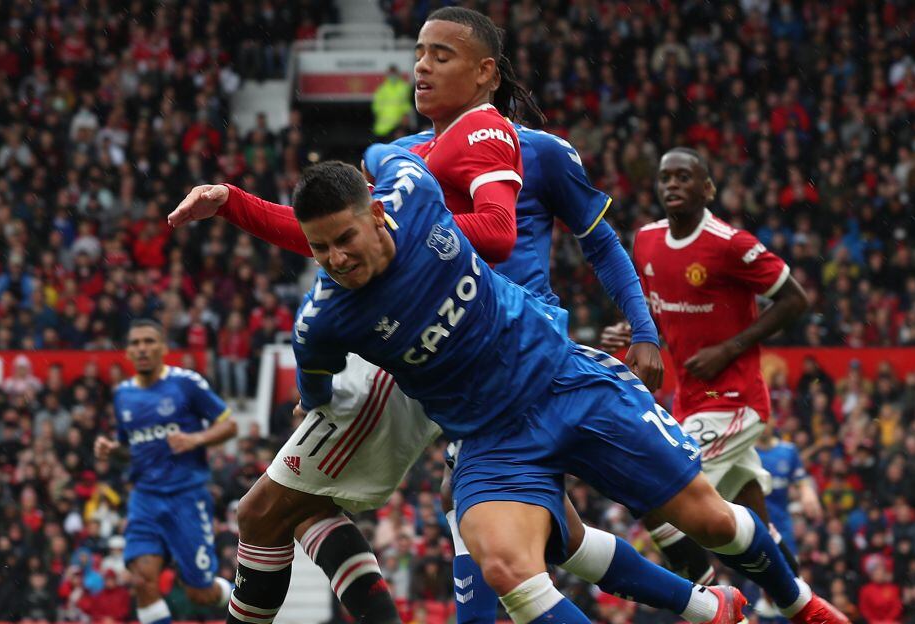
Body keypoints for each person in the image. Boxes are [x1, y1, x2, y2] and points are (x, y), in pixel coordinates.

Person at [169, 8, 689, 624]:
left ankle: (706, 574)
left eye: (441, 55)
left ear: (485, 73)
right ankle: (706, 603)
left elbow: (591, 241)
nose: (421, 66)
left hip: (493, 344)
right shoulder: (402, 159)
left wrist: (647, 330)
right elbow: (334, 238)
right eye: (420, 52)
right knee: (549, 535)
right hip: (440, 351)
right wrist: (233, 202)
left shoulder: (537, 152)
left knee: (267, 511)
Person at [286, 144, 842, 624]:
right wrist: (310, 408)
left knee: (710, 519)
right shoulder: (321, 320)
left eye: (344, 238)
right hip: (490, 438)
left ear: (377, 212)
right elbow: (316, 387)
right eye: (318, 248)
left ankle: (798, 605)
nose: (335, 259)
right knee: (507, 568)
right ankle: (708, 607)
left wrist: (372, 160)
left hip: (566, 381)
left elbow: (386, 155)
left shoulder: (410, 185)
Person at [602, 148, 817, 588]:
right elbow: (658, 310)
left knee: (659, 491)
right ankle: (799, 600)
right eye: (666, 178)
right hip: (691, 401)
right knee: (758, 529)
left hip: (735, 402)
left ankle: (704, 601)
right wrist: (632, 332)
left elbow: (797, 298)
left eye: (685, 177)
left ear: (708, 188)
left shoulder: (729, 243)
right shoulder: (646, 240)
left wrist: (729, 347)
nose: (673, 185)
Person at [93, 319, 238, 624]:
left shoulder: (186, 383)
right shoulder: (122, 395)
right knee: (143, 581)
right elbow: (130, 447)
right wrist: (111, 449)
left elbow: (229, 424)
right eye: (135, 343)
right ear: (128, 352)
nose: (142, 348)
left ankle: (241, 596)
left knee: (200, 592)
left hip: (186, 496)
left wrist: (196, 438)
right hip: (144, 498)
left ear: (163, 348)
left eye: (149, 341)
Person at [755, 415, 823, 620]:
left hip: (782, 529)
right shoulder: (745, 453)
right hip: (755, 527)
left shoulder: (788, 451)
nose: (764, 425)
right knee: (764, 584)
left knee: (790, 580)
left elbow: (802, 481)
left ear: (775, 422)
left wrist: (808, 494)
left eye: (767, 419)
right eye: (760, 420)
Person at [371, 65, 413, 139]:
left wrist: (403, 123)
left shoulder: (404, 88)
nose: (392, 76)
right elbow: (376, 107)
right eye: (391, 74)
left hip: (398, 127)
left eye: (394, 74)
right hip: (382, 128)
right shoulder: (382, 89)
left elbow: (407, 105)